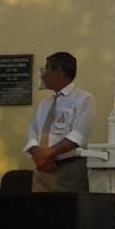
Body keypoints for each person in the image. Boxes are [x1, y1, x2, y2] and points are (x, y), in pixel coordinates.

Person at [24, 52, 95, 192]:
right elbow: (33, 133)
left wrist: (48, 154)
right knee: (38, 206)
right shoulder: (44, 104)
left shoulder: (83, 99)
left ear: (58, 70)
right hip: (43, 169)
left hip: (69, 170)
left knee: (66, 206)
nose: (43, 75)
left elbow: (78, 136)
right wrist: (38, 155)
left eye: (47, 68)